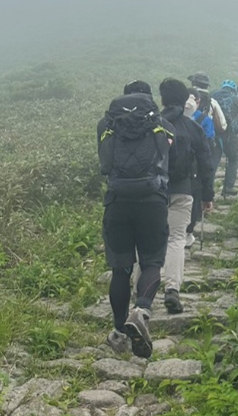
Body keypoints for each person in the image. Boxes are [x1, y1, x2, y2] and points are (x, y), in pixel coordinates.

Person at [97, 80, 174, 358]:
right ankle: (141, 310)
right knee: (152, 261)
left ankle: (119, 333)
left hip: (117, 201)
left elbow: (103, 164)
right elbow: (169, 161)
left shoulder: (105, 125)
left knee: (121, 269)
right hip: (152, 200)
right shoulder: (162, 124)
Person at [158, 78, 213, 314]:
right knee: (177, 238)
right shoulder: (193, 128)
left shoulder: (153, 123)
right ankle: (172, 289)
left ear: (162, 99)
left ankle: (141, 291)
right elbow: (206, 164)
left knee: (149, 240)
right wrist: (207, 196)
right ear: (186, 100)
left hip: (153, 191)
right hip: (182, 190)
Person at [184, 87, 226, 248]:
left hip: (177, 169)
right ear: (198, 101)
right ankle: (189, 231)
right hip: (196, 167)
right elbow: (208, 144)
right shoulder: (204, 120)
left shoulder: (170, 119)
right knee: (194, 197)